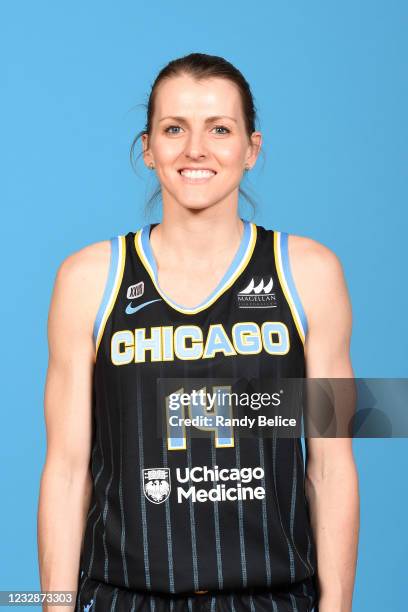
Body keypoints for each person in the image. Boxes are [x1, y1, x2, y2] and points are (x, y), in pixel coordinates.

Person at [37, 53, 359, 612]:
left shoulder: (308, 272)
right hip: (124, 599)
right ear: (148, 147)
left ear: (252, 148)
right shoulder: (89, 279)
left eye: (220, 129)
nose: (196, 150)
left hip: (273, 599)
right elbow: (66, 472)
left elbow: (330, 465)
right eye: (174, 129)